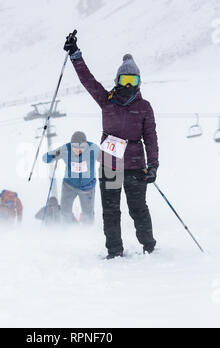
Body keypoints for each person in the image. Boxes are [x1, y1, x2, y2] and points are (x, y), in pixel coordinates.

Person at [64, 34, 159, 258]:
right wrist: (75, 55)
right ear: (117, 80)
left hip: (136, 168)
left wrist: (153, 165)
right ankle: (114, 251)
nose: (128, 85)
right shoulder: (106, 100)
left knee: (138, 209)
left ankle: (149, 247)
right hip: (109, 167)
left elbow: (151, 137)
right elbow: (88, 80)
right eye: (125, 80)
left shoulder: (144, 107)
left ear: (139, 83)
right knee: (110, 212)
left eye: (133, 81)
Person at [43, 131, 100, 224]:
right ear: (71, 144)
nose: (78, 149)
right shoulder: (65, 148)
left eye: (82, 147)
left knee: (88, 212)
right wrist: (53, 155)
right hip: (69, 185)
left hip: (87, 186)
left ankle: (88, 232)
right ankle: (67, 232)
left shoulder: (93, 148)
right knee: (65, 211)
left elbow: (106, 158)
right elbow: (45, 158)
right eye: (75, 147)